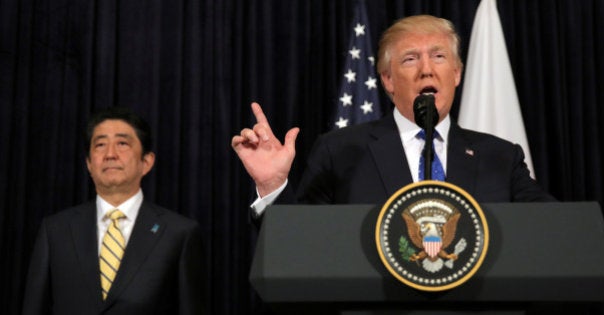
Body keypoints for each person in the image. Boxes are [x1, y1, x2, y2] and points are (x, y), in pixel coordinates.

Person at [232, 15, 555, 218]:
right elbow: (300, 245)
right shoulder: (342, 151)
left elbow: (553, 228)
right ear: (387, 79)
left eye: (439, 56)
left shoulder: (500, 156)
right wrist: (273, 187)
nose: (427, 69)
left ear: (457, 73)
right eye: (410, 59)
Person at [22, 107, 206, 314]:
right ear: (89, 163)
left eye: (122, 144)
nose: (110, 154)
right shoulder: (55, 230)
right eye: (100, 144)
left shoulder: (179, 233)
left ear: (146, 161)